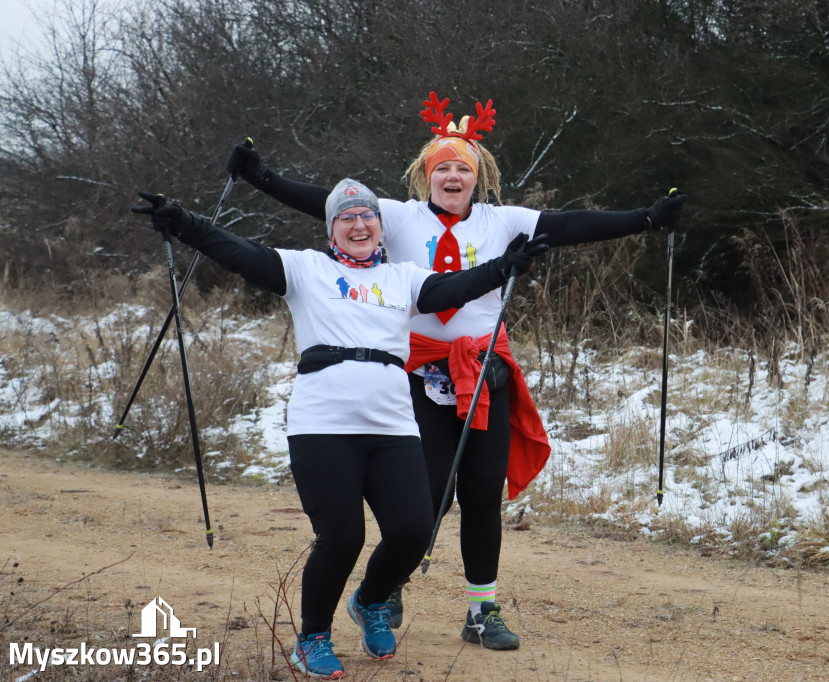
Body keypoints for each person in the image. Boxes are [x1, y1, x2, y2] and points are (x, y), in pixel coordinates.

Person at [225, 92, 687, 650]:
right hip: (416, 373)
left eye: (461, 169)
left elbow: (571, 224)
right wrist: (260, 177)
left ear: (478, 178)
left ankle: (480, 610)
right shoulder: (396, 216)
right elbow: (326, 204)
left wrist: (645, 219)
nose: (451, 175)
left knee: (483, 494)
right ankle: (385, 586)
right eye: (441, 167)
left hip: (483, 370)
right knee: (428, 494)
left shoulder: (504, 221)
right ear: (425, 175)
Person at [131, 178, 548, 679]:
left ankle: (371, 600)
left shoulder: (405, 277)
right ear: (332, 228)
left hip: (393, 428)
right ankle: (312, 639)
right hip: (322, 427)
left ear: (380, 226)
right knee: (343, 536)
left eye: (367, 216)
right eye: (346, 217)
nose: (358, 224)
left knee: (414, 529)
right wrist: (186, 224)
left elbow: (453, 288)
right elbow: (240, 253)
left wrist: (506, 266)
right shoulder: (306, 269)